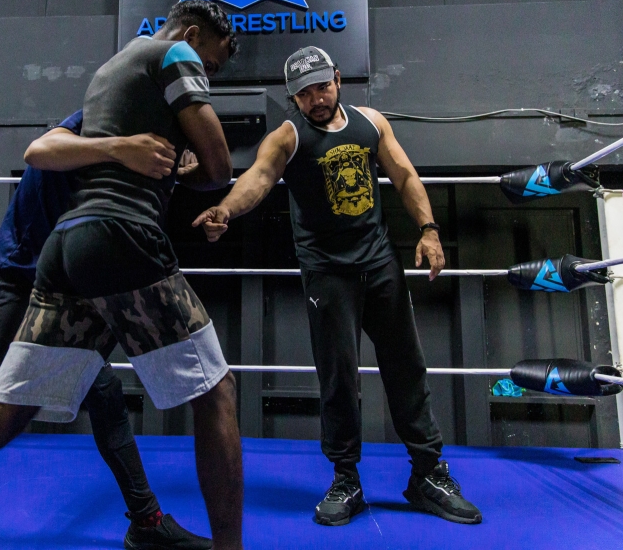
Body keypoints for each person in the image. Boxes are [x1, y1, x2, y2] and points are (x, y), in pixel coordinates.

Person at [0, 0, 243, 550]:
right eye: (213, 61)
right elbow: (220, 168)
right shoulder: (177, 53)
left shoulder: (110, 72)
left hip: (66, 248)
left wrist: (157, 161)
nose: (210, 72)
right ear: (193, 33)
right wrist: (185, 166)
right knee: (218, 391)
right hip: (121, 238)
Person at [192, 46, 482, 527]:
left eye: (322, 87)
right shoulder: (287, 137)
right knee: (339, 377)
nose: (317, 98)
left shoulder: (370, 123)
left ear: (338, 80)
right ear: (293, 98)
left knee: (406, 367)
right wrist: (226, 208)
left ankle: (428, 473)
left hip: (380, 263)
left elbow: (404, 174)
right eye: (305, 93)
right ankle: (346, 477)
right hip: (326, 272)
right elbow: (258, 178)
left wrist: (429, 230)